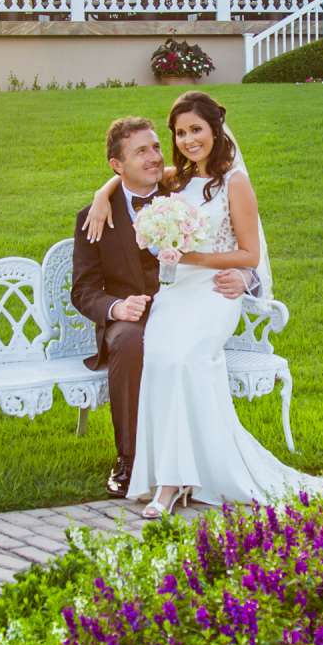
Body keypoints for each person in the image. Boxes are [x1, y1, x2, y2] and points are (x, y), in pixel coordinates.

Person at [81, 91, 318, 519]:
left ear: (215, 130)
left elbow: (248, 253)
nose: (189, 140)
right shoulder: (175, 181)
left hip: (213, 292)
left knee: (189, 357)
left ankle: (177, 482)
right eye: (181, 133)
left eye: (196, 130)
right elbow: (133, 176)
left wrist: (196, 259)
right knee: (162, 358)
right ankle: (169, 476)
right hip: (175, 295)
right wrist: (103, 193)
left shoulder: (235, 182)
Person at [70, 116, 247, 499]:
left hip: (184, 304)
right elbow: (83, 289)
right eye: (141, 152)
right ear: (117, 166)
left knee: (179, 347)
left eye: (155, 147)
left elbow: (229, 237)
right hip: (130, 316)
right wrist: (116, 308)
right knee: (132, 341)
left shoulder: (180, 194)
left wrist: (245, 278)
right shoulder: (93, 216)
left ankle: (190, 462)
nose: (154, 157)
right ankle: (130, 458)